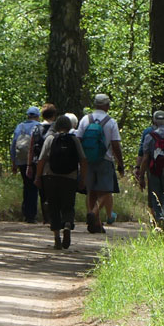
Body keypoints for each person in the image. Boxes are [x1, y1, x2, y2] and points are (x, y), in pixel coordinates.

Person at [34, 113, 88, 249]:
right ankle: (68, 225)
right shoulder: (74, 140)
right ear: (70, 126)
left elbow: (41, 160)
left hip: (50, 177)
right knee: (68, 205)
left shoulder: (50, 139)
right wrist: (82, 178)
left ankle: (57, 237)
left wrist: (38, 177)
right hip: (70, 177)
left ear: (56, 126)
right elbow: (83, 160)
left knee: (53, 206)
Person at [76, 93, 123, 233]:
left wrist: (81, 159)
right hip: (105, 160)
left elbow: (78, 139)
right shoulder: (111, 122)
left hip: (88, 160)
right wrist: (121, 163)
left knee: (91, 191)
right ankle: (94, 212)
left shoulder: (85, 119)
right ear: (107, 105)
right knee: (106, 191)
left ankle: (95, 222)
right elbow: (115, 144)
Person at [135, 110, 164, 229]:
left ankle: (159, 222)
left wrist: (141, 175)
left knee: (155, 197)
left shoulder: (149, 136)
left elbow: (145, 158)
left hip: (153, 171)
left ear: (154, 121)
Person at [11, 105, 42, 223]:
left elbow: (13, 145)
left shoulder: (20, 126)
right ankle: (31, 215)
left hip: (21, 161)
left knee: (26, 185)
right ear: (38, 117)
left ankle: (25, 212)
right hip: (34, 161)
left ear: (28, 116)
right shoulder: (38, 127)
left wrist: (14, 162)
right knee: (33, 186)